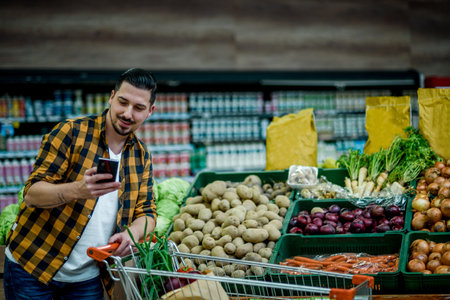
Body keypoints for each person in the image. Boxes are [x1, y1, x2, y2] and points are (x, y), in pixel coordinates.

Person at [4, 68, 158, 300]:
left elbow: (147, 212)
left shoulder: (141, 155)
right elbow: (32, 194)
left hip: (87, 278)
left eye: (138, 108)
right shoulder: (71, 132)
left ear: (150, 112)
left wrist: (132, 233)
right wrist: (78, 189)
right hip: (33, 266)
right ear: (111, 97)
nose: (127, 114)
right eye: (122, 102)